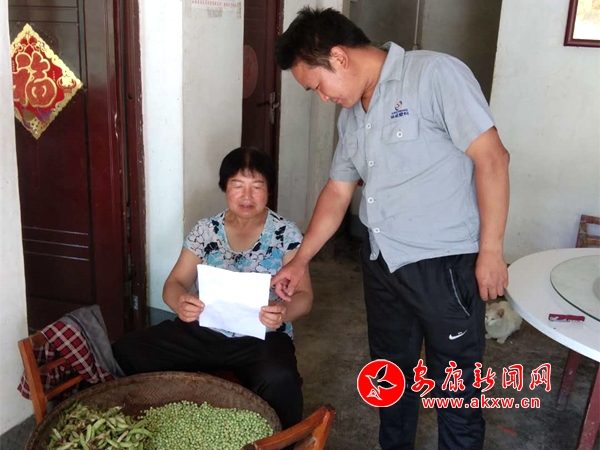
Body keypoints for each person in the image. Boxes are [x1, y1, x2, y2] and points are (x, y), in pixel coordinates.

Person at [272, 7, 509, 450]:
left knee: (455, 388)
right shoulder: (351, 114)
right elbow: (338, 192)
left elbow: (492, 158)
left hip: (444, 265)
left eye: (317, 86)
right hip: (383, 262)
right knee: (390, 378)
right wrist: (301, 261)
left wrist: (491, 251)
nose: (321, 98)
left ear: (339, 58)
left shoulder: (434, 75)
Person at [112, 147, 313, 430]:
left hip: (261, 338)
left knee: (280, 381)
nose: (247, 196)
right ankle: (168, 414)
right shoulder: (206, 230)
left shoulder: (286, 233)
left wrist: (282, 312)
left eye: (256, 187)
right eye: (237, 185)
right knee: (128, 350)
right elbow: (174, 284)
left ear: (269, 190)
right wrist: (180, 303)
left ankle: (281, 443)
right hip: (204, 331)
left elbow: (305, 296)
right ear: (224, 188)